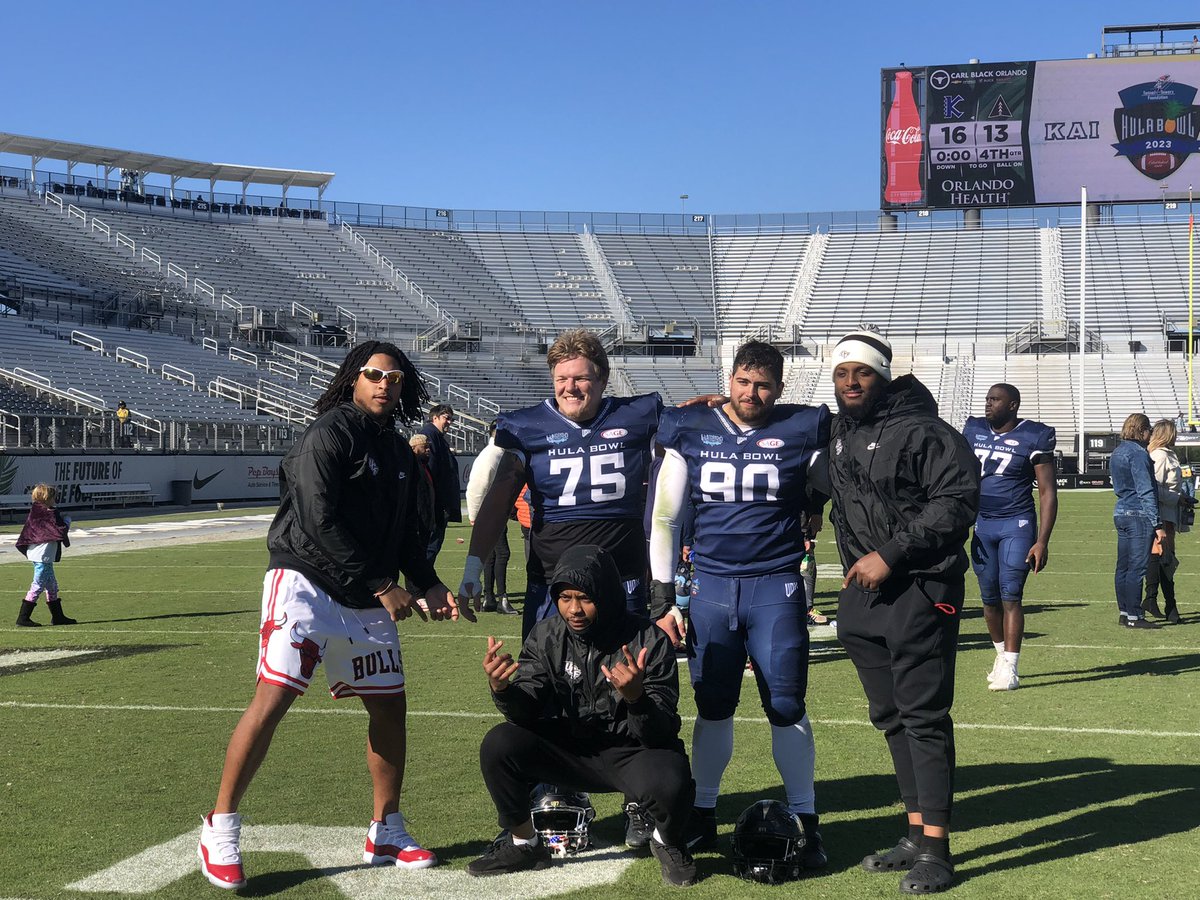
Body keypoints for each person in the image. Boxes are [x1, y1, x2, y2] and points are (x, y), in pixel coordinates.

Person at [198, 341, 470, 891]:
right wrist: (383, 584)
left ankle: (385, 828)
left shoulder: (397, 452)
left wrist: (430, 583)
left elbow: (404, 538)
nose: (383, 384)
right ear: (353, 379)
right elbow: (316, 517)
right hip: (304, 581)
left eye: (394, 378)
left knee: (390, 710)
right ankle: (220, 824)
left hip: (365, 593)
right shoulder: (328, 433)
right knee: (273, 700)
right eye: (373, 374)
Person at [648, 340, 830, 865]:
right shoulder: (691, 426)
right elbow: (665, 516)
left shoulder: (804, 426)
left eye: (764, 385)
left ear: (780, 387)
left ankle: (806, 817)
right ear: (730, 379)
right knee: (713, 705)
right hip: (711, 585)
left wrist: (816, 500)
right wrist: (664, 597)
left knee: (786, 704)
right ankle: (704, 813)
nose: (752, 393)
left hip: (776, 584)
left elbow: (835, 473)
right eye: (743, 382)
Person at [826, 331, 980, 895]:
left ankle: (938, 849)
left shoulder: (925, 430)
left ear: (883, 375)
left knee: (923, 718)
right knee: (889, 716)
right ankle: (915, 833)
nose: (850, 382)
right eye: (842, 373)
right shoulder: (842, 429)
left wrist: (890, 554)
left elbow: (957, 501)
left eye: (862, 372)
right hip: (862, 595)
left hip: (917, 585)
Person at [468, 544, 698, 887]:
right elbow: (527, 709)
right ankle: (524, 843)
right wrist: (504, 691)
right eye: (565, 598)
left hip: (631, 751)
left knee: (672, 778)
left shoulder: (648, 639)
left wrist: (636, 699)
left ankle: (667, 842)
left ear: (605, 594)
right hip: (571, 749)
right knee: (499, 744)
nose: (573, 609)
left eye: (584, 598)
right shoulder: (547, 635)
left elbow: (661, 733)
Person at [458, 329, 664, 639]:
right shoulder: (527, 425)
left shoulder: (637, 416)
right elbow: (498, 501)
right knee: (544, 678)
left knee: (625, 678)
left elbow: (696, 428)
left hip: (622, 578)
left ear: (603, 379)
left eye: (581, 378)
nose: (570, 388)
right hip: (553, 582)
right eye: (561, 379)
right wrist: (472, 568)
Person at [962, 384, 1058, 692]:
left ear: (1013, 405)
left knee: (1010, 595)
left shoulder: (1034, 436)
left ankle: (1012, 667)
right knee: (989, 600)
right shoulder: (974, 429)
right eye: (987, 399)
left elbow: (1047, 492)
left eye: (995, 400)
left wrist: (1042, 540)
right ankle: (1001, 656)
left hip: (1015, 523)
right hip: (982, 524)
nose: (988, 404)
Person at [1110, 413, 1166, 630]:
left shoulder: (1117, 451)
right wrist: (1158, 524)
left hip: (1121, 511)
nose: (1150, 433)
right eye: (1149, 430)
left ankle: (1125, 612)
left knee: (1122, 567)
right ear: (1141, 430)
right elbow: (1145, 490)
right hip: (1138, 514)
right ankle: (1134, 614)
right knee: (1137, 567)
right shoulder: (1139, 454)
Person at [465, 421, 519, 615]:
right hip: (490, 513)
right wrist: (475, 516)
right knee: (502, 554)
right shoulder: (493, 454)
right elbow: (476, 487)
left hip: (492, 512)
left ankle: (490, 597)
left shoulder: (496, 453)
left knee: (492, 556)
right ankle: (501, 598)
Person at [1143, 419, 1192, 624]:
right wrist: (1177, 498)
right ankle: (1166, 604)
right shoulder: (1160, 456)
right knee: (1164, 557)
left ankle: (1156, 600)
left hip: (1169, 513)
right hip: (1162, 513)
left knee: (1165, 558)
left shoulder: (1165, 454)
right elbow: (1153, 488)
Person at [15, 484, 75, 627]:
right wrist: (67, 522)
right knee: (37, 585)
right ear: (47, 498)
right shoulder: (48, 513)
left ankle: (58, 616)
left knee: (52, 585)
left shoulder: (37, 512)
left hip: (41, 554)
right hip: (42, 555)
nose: (55, 499)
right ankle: (23, 618)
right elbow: (59, 531)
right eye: (53, 497)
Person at [419, 404, 462, 563]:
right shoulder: (429, 436)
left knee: (432, 546)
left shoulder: (436, 437)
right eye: (446, 418)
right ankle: (422, 585)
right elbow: (429, 471)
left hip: (438, 502)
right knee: (430, 546)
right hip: (435, 504)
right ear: (434, 418)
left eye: (451, 419)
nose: (449, 422)